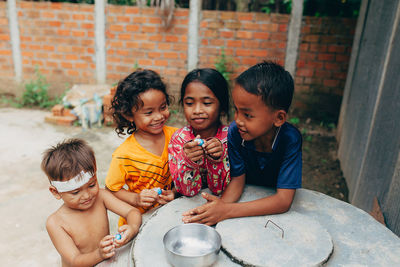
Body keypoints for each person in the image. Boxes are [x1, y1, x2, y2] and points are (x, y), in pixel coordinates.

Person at [182, 61, 302, 225]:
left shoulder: (290, 139)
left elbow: (283, 201)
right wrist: (218, 208)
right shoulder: (236, 133)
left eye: (247, 115)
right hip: (248, 194)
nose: (237, 120)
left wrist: (227, 211)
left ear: (279, 118)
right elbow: (238, 180)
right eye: (237, 110)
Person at [41, 138, 142, 267]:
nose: (87, 195)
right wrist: (99, 254)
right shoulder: (56, 223)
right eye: (75, 192)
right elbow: (74, 261)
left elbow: (132, 211)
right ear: (56, 192)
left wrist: (132, 228)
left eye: (92, 185)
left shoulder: (101, 196)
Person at [105, 69, 177, 226]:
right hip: (138, 222)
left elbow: (186, 173)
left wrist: (175, 193)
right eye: (149, 112)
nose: (159, 116)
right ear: (129, 115)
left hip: (169, 213)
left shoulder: (177, 137)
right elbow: (111, 189)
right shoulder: (124, 155)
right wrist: (136, 199)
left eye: (163, 107)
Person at [168, 68, 231, 197]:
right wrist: (188, 161)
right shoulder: (179, 139)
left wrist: (217, 159)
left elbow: (222, 189)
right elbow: (185, 191)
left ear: (222, 107)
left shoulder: (230, 138)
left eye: (207, 103)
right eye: (190, 103)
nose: (197, 110)